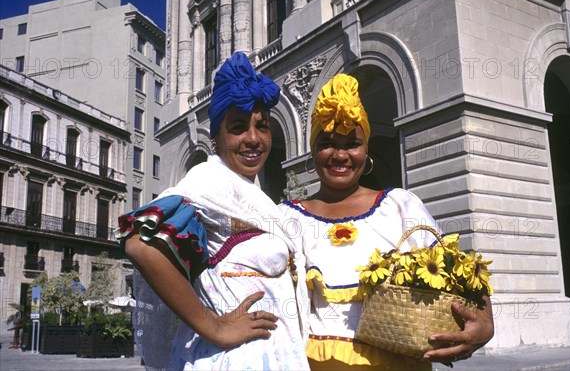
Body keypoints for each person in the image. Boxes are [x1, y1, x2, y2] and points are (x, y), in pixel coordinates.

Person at [279, 74, 494, 370]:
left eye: (352, 144)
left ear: (366, 150)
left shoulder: (399, 205)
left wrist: (485, 321)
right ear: (313, 151)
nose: (340, 155)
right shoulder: (288, 217)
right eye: (327, 143)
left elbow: (459, 269)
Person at [117, 52, 309, 370]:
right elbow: (140, 243)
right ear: (216, 139)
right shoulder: (209, 182)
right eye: (238, 128)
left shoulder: (250, 194)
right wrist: (215, 326)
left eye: (262, 127)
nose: (253, 138)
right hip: (231, 359)